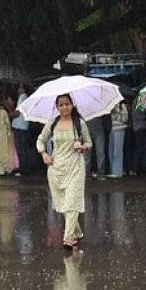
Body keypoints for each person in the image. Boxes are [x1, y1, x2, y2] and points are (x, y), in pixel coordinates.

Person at [37, 94, 91, 249]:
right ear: (57, 107)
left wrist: (82, 147)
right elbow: (40, 139)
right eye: (61, 105)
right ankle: (76, 233)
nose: (64, 107)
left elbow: (89, 142)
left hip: (76, 167)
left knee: (72, 202)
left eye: (67, 104)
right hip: (56, 168)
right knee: (62, 205)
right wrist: (44, 154)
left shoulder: (79, 124)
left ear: (72, 105)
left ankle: (68, 238)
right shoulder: (52, 124)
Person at [0, 94, 17, 177]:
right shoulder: (4, 112)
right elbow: (8, 124)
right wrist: (11, 134)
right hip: (3, 135)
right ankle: (2, 171)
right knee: (2, 152)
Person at [129, 95, 146, 176]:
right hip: (139, 127)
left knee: (141, 148)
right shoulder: (137, 101)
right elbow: (138, 115)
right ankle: (135, 168)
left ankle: (143, 167)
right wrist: (145, 115)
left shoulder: (138, 101)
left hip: (140, 127)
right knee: (140, 148)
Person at [11, 84, 30, 175]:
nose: (19, 89)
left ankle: (22, 168)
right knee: (22, 147)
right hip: (23, 126)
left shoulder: (22, 97)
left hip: (20, 126)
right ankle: (23, 167)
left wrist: (8, 106)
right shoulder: (25, 98)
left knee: (21, 148)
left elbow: (16, 114)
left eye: (21, 87)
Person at [107, 100, 129, 178]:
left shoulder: (122, 106)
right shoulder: (110, 106)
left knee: (117, 151)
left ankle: (118, 171)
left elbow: (125, 118)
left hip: (119, 130)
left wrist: (115, 113)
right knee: (111, 151)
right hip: (112, 130)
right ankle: (112, 170)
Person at [85, 115, 108, 180]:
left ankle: (99, 173)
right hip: (92, 129)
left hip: (96, 129)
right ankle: (88, 173)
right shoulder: (96, 107)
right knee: (89, 154)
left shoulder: (83, 106)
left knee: (99, 153)